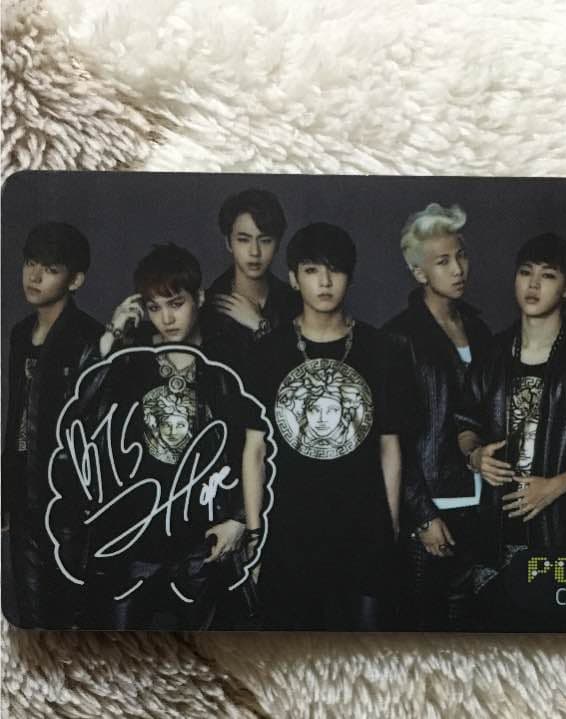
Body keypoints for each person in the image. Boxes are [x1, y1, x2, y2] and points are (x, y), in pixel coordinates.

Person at [71, 244, 265, 629]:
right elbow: (79, 407)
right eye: (155, 307)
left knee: (205, 655)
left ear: (200, 298)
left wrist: (240, 519)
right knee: (123, 651)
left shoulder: (227, 359)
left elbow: (254, 442)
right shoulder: (133, 358)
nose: (167, 318)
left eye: (176, 303)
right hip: (138, 536)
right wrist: (112, 333)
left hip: (204, 539)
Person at [244, 222, 411, 630]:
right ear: (293, 278)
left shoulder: (382, 350)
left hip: (363, 531)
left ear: (350, 277)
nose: (324, 282)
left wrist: (390, 527)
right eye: (311, 270)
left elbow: (390, 447)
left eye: (334, 270)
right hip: (290, 534)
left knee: (366, 653)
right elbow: (255, 450)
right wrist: (255, 534)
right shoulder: (267, 353)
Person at [458, 233, 566, 628]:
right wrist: (475, 456)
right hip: (496, 534)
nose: (533, 285)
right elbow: (465, 423)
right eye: (525, 273)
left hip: (563, 533)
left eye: (548, 276)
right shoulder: (492, 353)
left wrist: (554, 487)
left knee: (557, 641)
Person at [383, 203, 492, 630]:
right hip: (433, 507)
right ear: (419, 273)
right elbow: (392, 438)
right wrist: (422, 515)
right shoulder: (399, 337)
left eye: (461, 255)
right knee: (424, 629)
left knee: (478, 627)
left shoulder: (480, 329)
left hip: (482, 503)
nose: (458, 269)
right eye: (443, 261)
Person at [2, 222, 103, 628]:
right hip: (21, 490)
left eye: (50, 269)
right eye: (30, 263)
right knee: (29, 610)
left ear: (75, 280)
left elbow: (95, 428)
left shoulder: (90, 339)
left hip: (67, 498)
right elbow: (17, 415)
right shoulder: (20, 334)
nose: (35, 276)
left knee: (70, 612)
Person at [203, 188, 301, 362]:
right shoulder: (206, 305)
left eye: (265, 241)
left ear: (277, 245)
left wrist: (259, 325)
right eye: (243, 240)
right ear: (228, 243)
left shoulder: (295, 303)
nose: (255, 252)